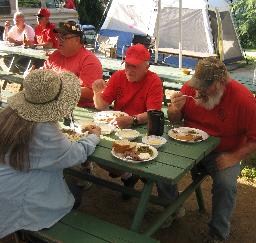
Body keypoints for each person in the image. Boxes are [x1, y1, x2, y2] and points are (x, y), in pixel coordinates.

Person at [0, 69, 101, 238]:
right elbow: (75, 154)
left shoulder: (8, 115)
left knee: (67, 184)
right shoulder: (44, 130)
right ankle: (31, 236)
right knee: (75, 195)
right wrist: (93, 137)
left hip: (6, 184)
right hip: (16, 197)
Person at [167, 57, 256, 242]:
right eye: (197, 84)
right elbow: (175, 121)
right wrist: (174, 110)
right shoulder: (191, 88)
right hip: (188, 145)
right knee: (162, 160)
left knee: (226, 184)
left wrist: (234, 157)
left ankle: (217, 233)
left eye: (205, 86)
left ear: (221, 83)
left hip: (223, 153)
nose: (198, 90)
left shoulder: (243, 99)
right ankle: (171, 209)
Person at [92, 44, 163, 196]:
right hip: (118, 128)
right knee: (97, 152)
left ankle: (164, 198)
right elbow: (101, 105)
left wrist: (133, 120)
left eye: (134, 66)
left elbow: (154, 114)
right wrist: (97, 92)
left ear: (146, 66)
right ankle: (128, 176)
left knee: (153, 161)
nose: (129, 70)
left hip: (144, 129)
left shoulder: (154, 81)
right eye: (127, 65)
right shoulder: (118, 76)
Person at [44, 21, 103, 108]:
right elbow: (43, 75)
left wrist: (60, 89)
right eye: (58, 37)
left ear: (77, 40)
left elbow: (91, 92)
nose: (59, 40)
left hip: (80, 109)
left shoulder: (89, 61)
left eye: (63, 37)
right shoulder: (55, 55)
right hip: (54, 105)